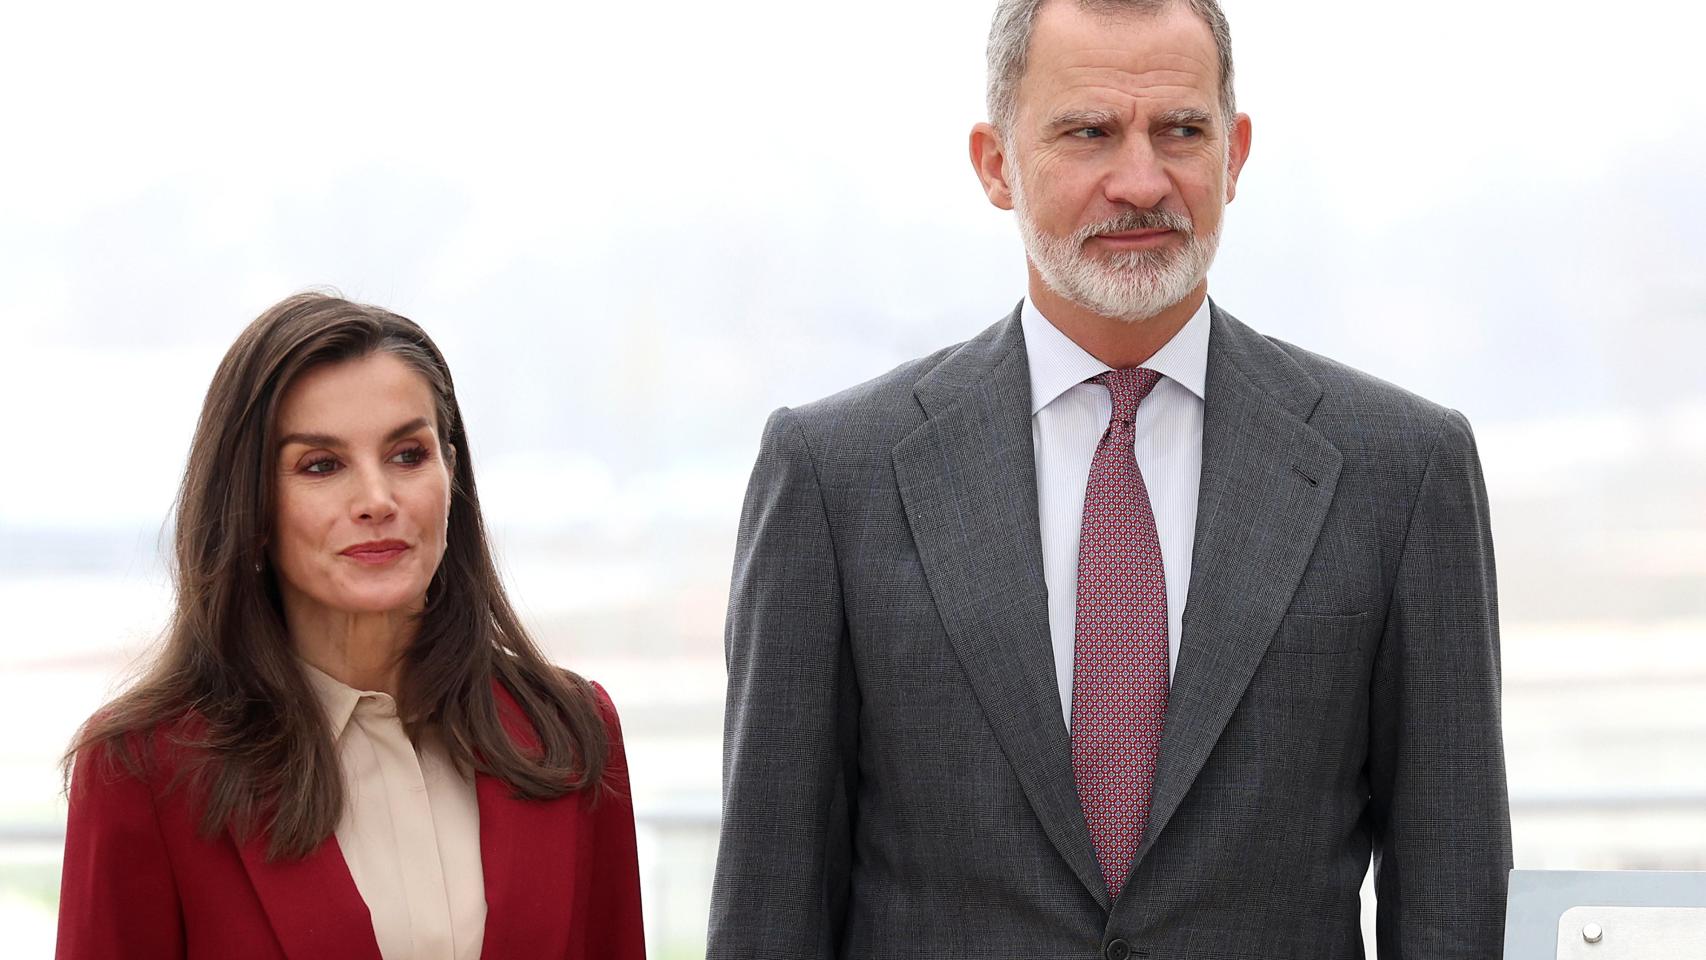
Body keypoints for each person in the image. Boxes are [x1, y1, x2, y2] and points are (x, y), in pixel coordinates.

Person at [708, 0, 1511, 957]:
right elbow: (769, 912)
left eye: (1180, 131)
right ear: (996, 164)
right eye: (1088, 133)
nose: (1140, 181)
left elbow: (1455, 906)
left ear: (1236, 153)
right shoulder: (836, 478)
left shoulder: (1403, 472)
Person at [56, 293, 645, 960]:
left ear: (451, 475)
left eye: (407, 454)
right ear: (250, 505)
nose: (376, 500)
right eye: (321, 465)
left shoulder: (569, 731)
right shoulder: (141, 769)